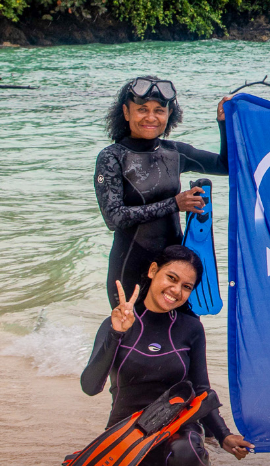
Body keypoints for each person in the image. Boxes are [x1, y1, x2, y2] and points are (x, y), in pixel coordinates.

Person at [80, 245, 252, 466]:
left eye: (186, 286)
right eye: (171, 278)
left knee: (187, 456)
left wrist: (223, 435)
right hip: (129, 431)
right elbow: (90, 387)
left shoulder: (190, 328)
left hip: (177, 425)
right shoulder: (117, 323)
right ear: (152, 271)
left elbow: (202, 389)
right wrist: (116, 334)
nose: (176, 290)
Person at [95, 76, 229, 307]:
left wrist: (224, 123)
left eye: (159, 110)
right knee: (129, 338)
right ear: (126, 113)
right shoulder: (112, 157)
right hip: (130, 269)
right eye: (142, 110)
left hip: (175, 272)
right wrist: (174, 204)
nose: (151, 117)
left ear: (169, 114)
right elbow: (114, 217)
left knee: (181, 337)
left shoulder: (174, 152)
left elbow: (225, 165)